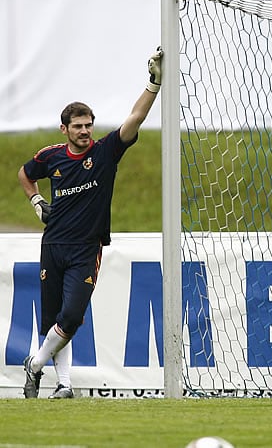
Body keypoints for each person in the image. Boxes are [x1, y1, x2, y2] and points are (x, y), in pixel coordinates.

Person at [18, 47, 163, 399]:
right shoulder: (50, 156)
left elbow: (134, 118)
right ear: (64, 128)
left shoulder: (104, 152)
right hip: (53, 246)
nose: (84, 131)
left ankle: (34, 366)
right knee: (55, 319)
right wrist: (37, 201)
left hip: (85, 249)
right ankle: (65, 385)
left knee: (71, 316)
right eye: (78, 126)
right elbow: (25, 173)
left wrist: (154, 83)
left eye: (88, 125)